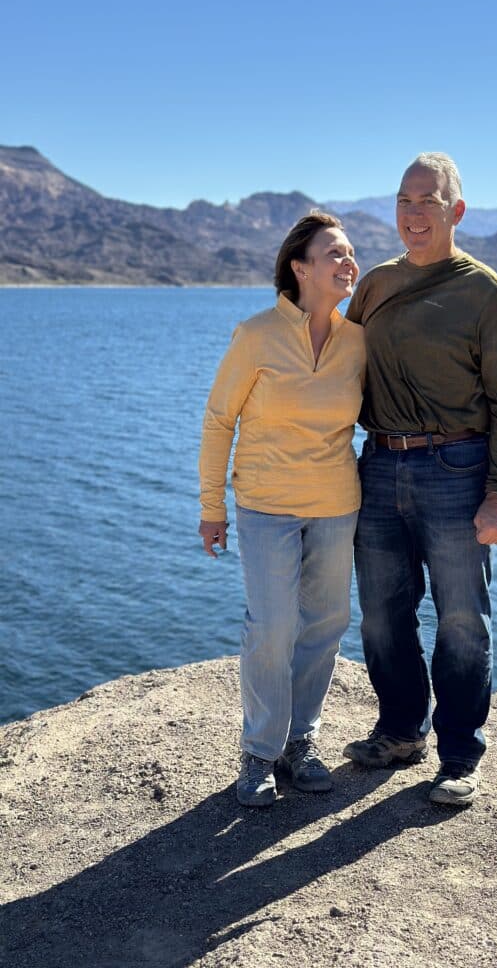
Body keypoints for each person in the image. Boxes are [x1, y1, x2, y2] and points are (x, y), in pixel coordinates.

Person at [343, 153, 497, 806]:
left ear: (456, 209)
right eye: (404, 200)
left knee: (460, 621)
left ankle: (459, 757)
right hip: (381, 463)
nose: (414, 213)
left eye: (428, 200)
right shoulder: (373, 286)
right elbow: (338, 371)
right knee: (380, 617)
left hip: (457, 470)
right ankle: (400, 733)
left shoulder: (484, 291)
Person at [198, 212, 365, 807]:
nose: (349, 263)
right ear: (300, 267)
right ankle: (259, 749)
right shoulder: (256, 334)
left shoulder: (357, 340)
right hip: (266, 505)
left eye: (351, 253)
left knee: (324, 625)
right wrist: (210, 506)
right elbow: (220, 421)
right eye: (335, 254)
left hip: (336, 504)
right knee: (271, 628)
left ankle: (302, 740)